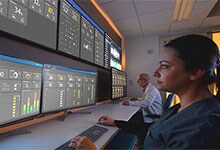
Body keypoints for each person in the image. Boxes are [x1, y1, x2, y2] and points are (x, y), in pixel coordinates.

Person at [69, 34, 220, 149]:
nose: (155, 73)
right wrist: (116, 122)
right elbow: (155, 130)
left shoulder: (203, 130)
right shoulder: (183, 109)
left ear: (194, 72)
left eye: (165, 66)